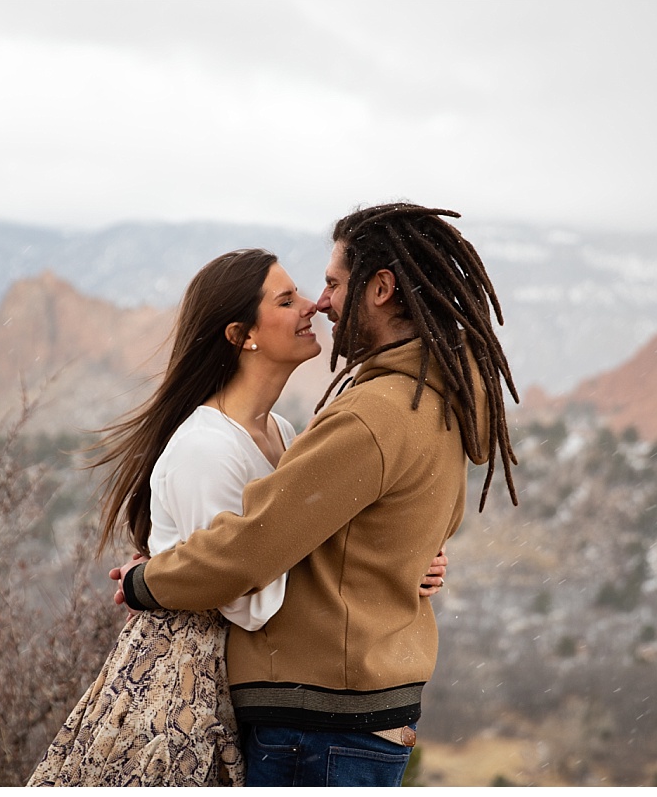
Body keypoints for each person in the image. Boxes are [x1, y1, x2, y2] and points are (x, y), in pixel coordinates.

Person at [117, 202, 519, 788]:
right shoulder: (432, 398)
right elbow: (376, 528)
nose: (321, 302)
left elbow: (253, 548)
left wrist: (146, 581)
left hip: (323, 722)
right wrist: (403, 559)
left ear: (381, 288)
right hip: (362, 711)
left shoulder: (375, 415)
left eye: (332, 283)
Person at [26, 248, 447, 787]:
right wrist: (374, 568)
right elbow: (248, 604)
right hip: (193, 704)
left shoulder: (283, 433)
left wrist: (399, 555)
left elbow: (312, 535)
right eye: (287, 299)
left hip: (254, 697)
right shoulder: (207, 449)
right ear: (240, 334)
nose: (311, 308)